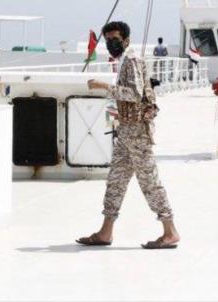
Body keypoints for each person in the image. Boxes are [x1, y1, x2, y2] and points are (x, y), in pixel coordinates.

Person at [77, 21, 180, 249]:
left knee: (149, 182)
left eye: (115, 39)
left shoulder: (131, 60)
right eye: (108, 40)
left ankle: (170, 232)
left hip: (137, 133)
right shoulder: (124, 60)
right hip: (126, 130)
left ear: (126, 40)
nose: (111, 43)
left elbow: (133, 94)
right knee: (116, 181)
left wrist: (105, 87)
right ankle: (105, 232)